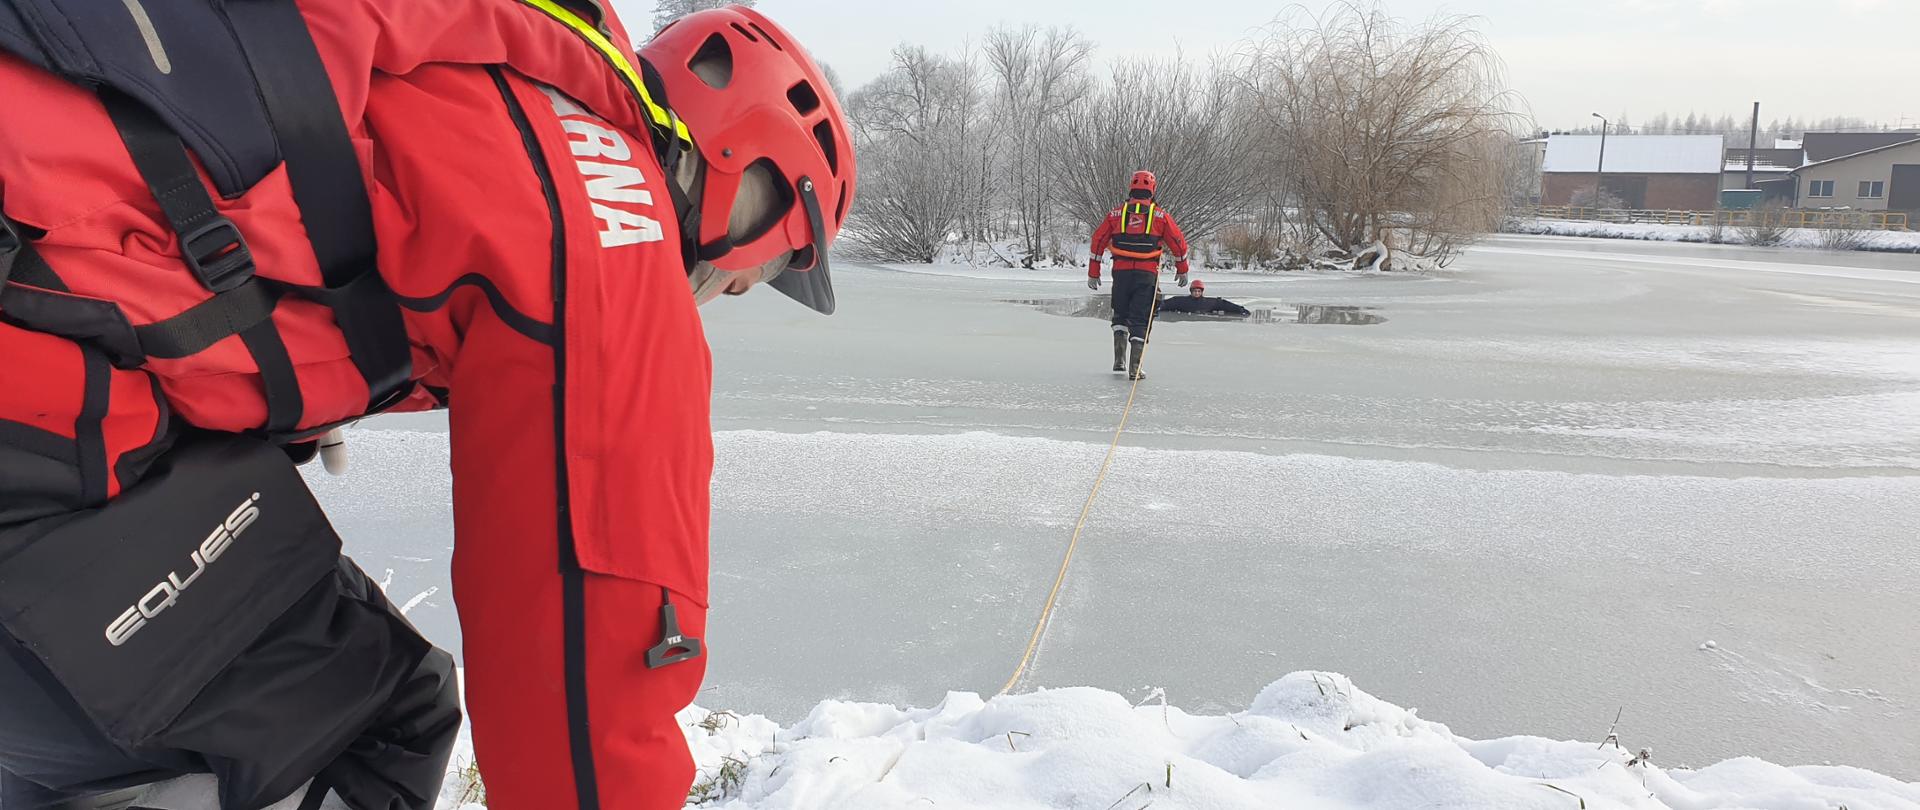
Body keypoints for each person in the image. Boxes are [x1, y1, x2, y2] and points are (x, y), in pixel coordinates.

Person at [0, 2, 852, 809]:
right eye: (775, 266)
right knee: (364, 721)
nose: (741, 291)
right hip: (34, 403)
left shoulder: (487, 81)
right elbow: (595, 638)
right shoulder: (611, 225)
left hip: (50, 354)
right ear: (754, 182)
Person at [1087, 170, 1191, 380]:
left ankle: (1119, 360)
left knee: (1120, 313)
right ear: (1152, 190)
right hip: (1146, 274)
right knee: (1141, 318)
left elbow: (1098, 240)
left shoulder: (1116, 213)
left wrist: (1093, 272)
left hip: (1121, 273)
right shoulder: (1160, 216)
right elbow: (1178, 242)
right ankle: (1135, 368)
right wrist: (1182, 268)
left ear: (1131, 188)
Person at [1157, 279, 1251, 317]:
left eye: (1198, 291)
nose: (1196, 293)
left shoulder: (1209, 302)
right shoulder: (1182, 301)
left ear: (1202, 292)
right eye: (1195, 291)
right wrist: (1158, 306)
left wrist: (1240, 309)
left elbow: (1224, 304)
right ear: (1191, 291)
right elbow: (1169, 303)